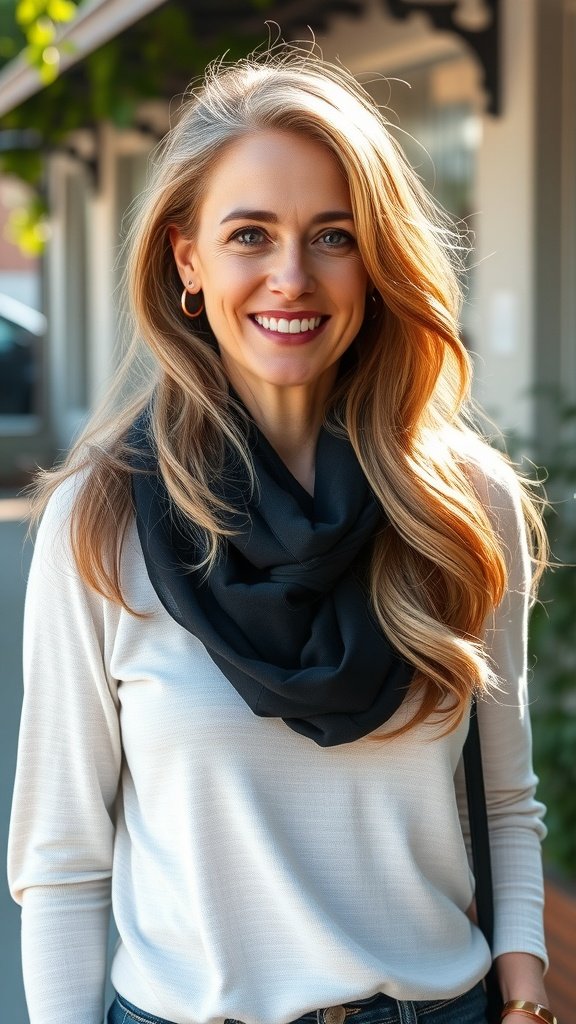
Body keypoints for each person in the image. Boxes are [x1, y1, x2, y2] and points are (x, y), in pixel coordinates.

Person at [8, 44, 555, 1024]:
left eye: (333, 235)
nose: (291, 276)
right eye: (250, 234)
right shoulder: (100, 517)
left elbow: (505, 799)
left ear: (375, 261)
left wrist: (526, 993)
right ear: (188, 259)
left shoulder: (465, 504)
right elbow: (62, 860)